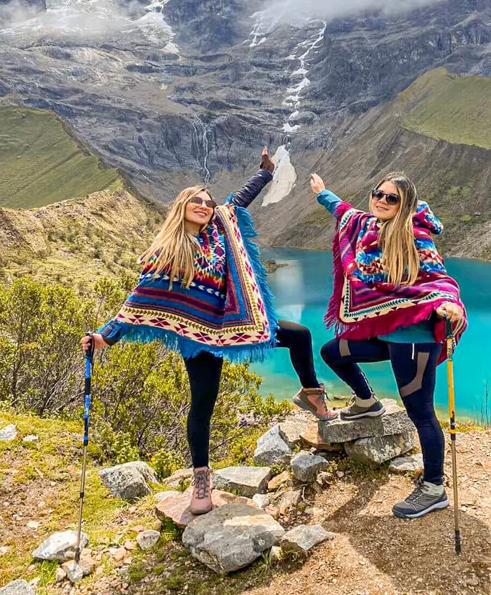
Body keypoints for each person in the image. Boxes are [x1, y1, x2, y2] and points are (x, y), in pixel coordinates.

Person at [81, 148, 335, 516]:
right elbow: (139, 299)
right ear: (182, 207)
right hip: (196, 336)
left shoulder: (219, 229)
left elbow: (237, 201)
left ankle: (311, 394)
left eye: (207, 201)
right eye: (196, 201)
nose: (204, 205)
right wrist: (106, 336)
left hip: (233, 326)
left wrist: (264, 173)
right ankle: (201, 479)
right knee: (203, 404)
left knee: (298, 335)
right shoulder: (168, 251)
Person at [310, 170, 467, 520]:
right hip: (386, 332)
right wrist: (323, 193)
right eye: (377, 194)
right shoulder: (368, 226)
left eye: (391, 198)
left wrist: (448, 303)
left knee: (421, 413)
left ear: (405, 203)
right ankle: (367, 402)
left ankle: (434, 487)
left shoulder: (414, 234)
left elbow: (439, 279)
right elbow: (344, 212)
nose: (381, 200)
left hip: (414, 340)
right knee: (333, 352)